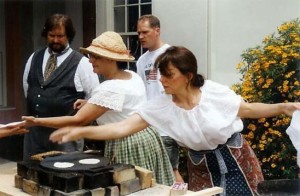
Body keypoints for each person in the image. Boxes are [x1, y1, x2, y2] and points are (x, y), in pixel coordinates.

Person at [50, 46, 300, 196]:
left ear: (188, 76)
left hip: (237, 159)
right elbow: (121, 127)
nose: (162, 81)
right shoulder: (161, 106)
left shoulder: (213, 93)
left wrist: (283, 106)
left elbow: (246, 110)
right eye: (161, 75)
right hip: (200, 165)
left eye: (168, 75)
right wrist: (78, 130)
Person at [21, 31, 175, 185]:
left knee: (130, 186)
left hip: (126, 142)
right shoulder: (131, 75)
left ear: (111, 60)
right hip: (146, 137)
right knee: (150, 186)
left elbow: (78, 120)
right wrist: (90, 103)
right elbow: (123, 103)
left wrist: (37, 121)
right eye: (90, 56)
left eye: (96, 57)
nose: (91, 61)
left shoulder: (109, 88)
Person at [22, 14, 100, 160]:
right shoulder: (34, 57)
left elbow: (95, 98)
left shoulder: (82, 63)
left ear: (69, 36)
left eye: (60, 36)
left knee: (65, 176)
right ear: (46, 35)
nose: (56, 40)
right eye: (52, 35)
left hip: (66, 138)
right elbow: (28, 88)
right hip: (34, 137)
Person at [136, 14, 183, 182]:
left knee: (171, 173)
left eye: (145, 32)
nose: (141, 37)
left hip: (167, 126)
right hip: (150, 126)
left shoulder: (170, 55)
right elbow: (143, 92)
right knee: (154, 175)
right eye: (138, 33)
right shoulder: (141, 61)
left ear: (157, 31)